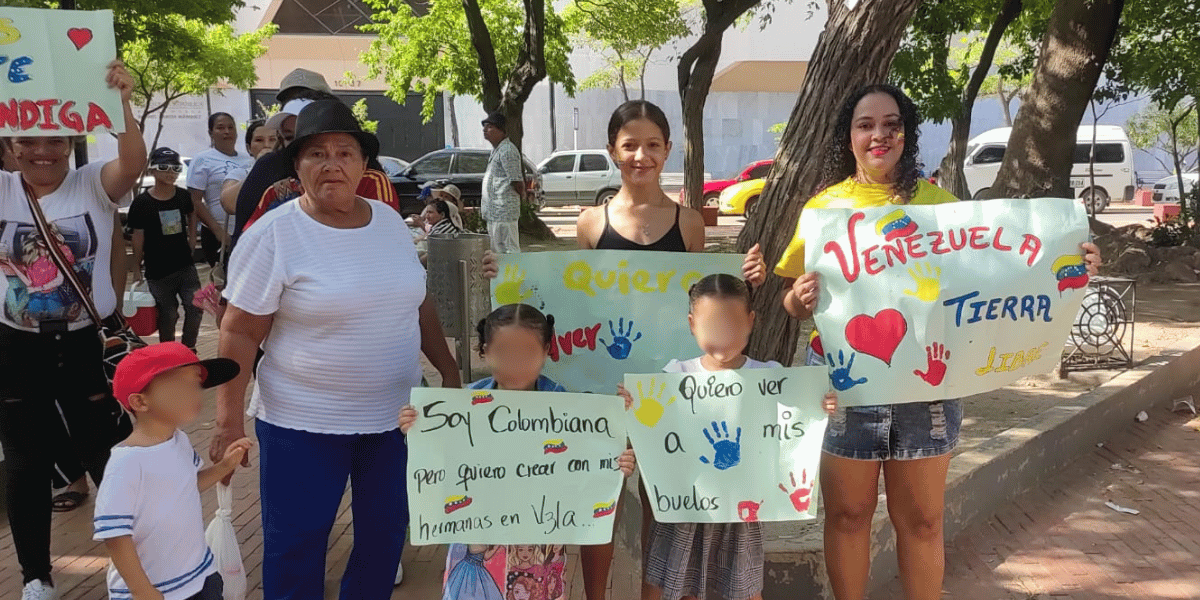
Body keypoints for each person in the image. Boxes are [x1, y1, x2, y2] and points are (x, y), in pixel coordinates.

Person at [774, 84, 1103, 600]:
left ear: (906, 133)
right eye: (866, 125)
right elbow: (794, 305)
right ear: (849, 137)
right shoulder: (824, 210)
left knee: (924, 521)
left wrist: (1068, 262)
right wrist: (799, 297)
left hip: (925, 384)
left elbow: (1003, 270)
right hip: (845, 386)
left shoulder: (939, 206)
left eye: (891, 124)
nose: (879, 135)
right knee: (846, 515)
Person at [213, 99, 461, 600]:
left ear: (363, 165)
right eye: (317, 154)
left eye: (345, 153)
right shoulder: (274, 234)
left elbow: (420, 304)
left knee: (384, 540)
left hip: (394, 422)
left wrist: (449, 373)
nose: (332, 165)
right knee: (296, 546)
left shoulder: (391, 223)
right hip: (302, 425)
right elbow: (238, 333)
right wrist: (226, 420)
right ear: (297, 166)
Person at [569, 99, 766, 600]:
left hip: (672, 392)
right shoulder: (591, 223)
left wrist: (748, 280)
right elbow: (572, 301)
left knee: (663, 503)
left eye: (653, 145)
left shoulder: (690, 224)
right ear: (613, 151)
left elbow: (700, 303)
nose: (642, 155)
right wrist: (503, 277)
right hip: (606, 387)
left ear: (668, 150)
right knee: (603, 499)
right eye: (630, 144)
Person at [0, 59, 146, 600]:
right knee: (25, 465)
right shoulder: (4, 191)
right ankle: (36, 575)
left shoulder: (91, 185)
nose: (44, 151)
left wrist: (121, 102)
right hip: (16, 348)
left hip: (86, 341)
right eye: (30, 141)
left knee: (107, 455)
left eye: (57, 140)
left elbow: (132, 161)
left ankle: (130, 566)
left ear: (70, 142)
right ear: (10, 145)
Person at [617, 274, 837, 600]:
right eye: (711, 325)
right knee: (680, 586)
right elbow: (651, 433)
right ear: (692, 324)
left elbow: (796, 420)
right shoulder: (674, 376)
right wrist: (632, 409)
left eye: (731, 325)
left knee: (745, 587)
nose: (722, 335)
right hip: (685, 508)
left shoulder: (769, 376)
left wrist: (818, 404)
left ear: (751, 322)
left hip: (741, 511)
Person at [398, 304, 637, 600]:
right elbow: (439, 460)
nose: (516, 364)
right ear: (484, 350)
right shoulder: (461, 406)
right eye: (504, 353)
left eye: (526, 354)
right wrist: (418, 430)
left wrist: (616, 456)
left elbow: (589, 459)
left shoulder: (566, 406)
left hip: (538, 546)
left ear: (547, 350)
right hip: (476, 538)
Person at [94, 342, 251, 600]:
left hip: (200, 575)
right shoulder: (126, 464)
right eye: (182, 386)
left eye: (196, 384)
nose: (196, 394)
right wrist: (142, 590)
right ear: (140, 401)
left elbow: (188, 484)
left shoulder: (178, 440)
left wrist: (224, 466)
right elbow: (115, 536)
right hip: (155, 589)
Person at [129, 148, 203, 349]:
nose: (170, 172)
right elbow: (138, 235)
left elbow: (192, 214)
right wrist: (136, 267)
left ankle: (189, 349)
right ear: (152, 170)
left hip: (185, 265)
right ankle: (168, 353)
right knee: (168, 313)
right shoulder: (142, 203)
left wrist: (191, 239)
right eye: (163, 167)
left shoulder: (183, 196)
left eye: (175, 168)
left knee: (196, 306)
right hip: (157, 270)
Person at [187, 112, 254, 268]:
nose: (227, 132)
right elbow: (194, 200)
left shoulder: (248, 159)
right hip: (217, 234)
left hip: (247, 232)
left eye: (231, 127)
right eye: (220, 128)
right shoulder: (202, 159)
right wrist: (218, 231)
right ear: (211, 133)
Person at [480, 113, 525, 253]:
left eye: (490, 127)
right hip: (494, 213)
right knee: (497, 252)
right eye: (484, 127)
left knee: (509, 251)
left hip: (504, 213)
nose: (485, 130)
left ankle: (515, 275)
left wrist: (519, 198)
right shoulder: (497, 150)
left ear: (502, 130)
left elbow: (517, 182)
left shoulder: (508, 150)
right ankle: (501, 276)